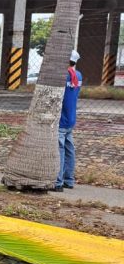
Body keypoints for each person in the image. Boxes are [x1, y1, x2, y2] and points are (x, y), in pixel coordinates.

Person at [53, 50, 82, 192]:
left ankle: (57, 182)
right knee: (70, 149)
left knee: (60, 150)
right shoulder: (78, 75)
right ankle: (69, 180)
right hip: (71, 119)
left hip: (61, 119)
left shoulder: (62, 76)